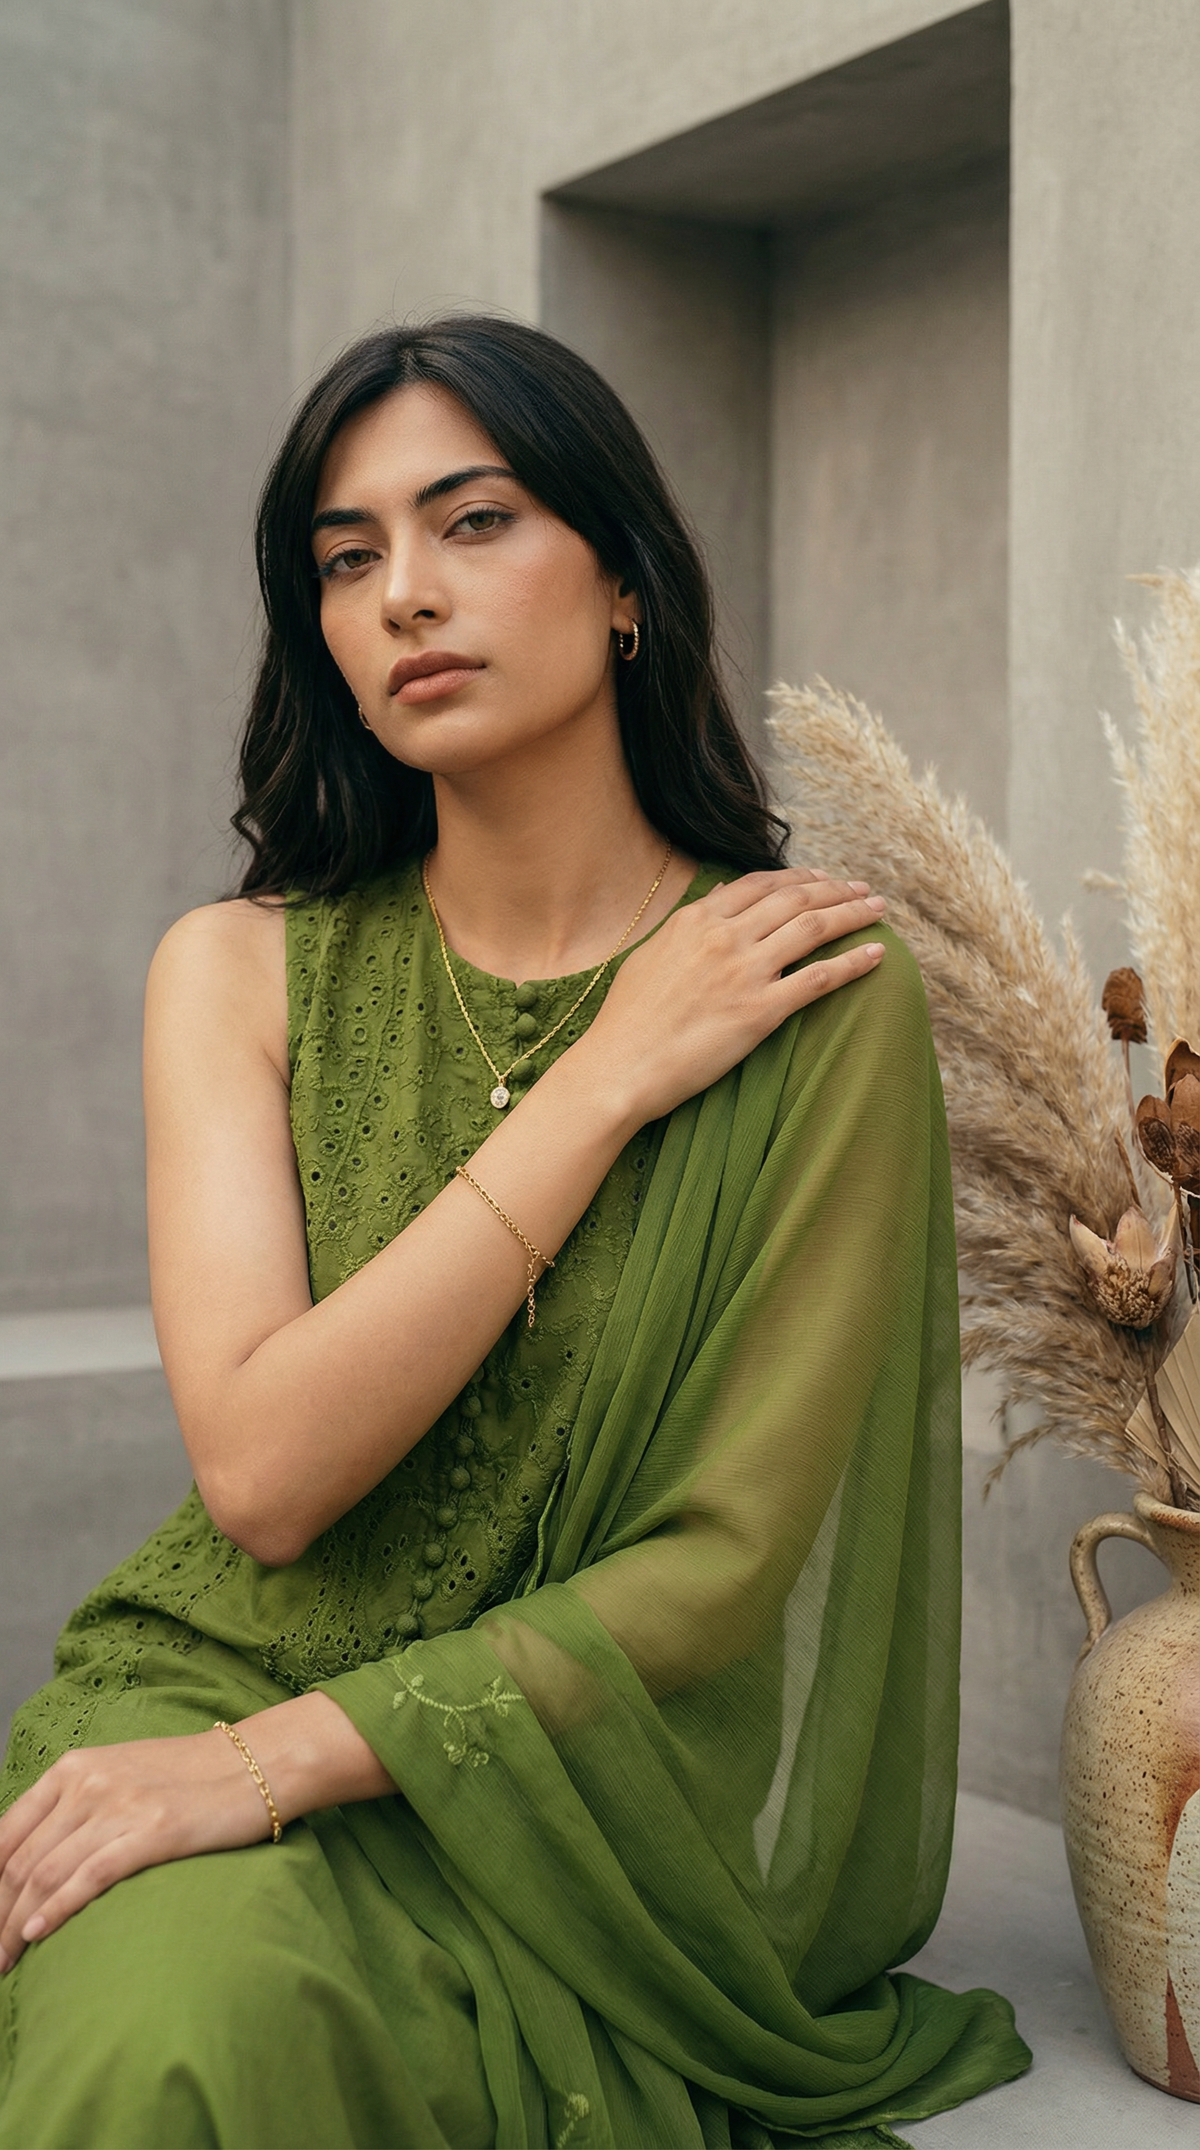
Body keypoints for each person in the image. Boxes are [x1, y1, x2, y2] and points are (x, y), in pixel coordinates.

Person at [0, 317, 1029, 2149]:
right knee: (151, 2031)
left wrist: (275, 1768)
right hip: (216, 1674)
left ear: (625, 582)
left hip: (578, 1789)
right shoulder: (238, 972)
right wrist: (607, 1077)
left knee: (211, 2049)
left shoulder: (817, 997)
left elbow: (723, 1564)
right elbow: (263, 1475)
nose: (404, 594)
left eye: (471, 522)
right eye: (346, 555)